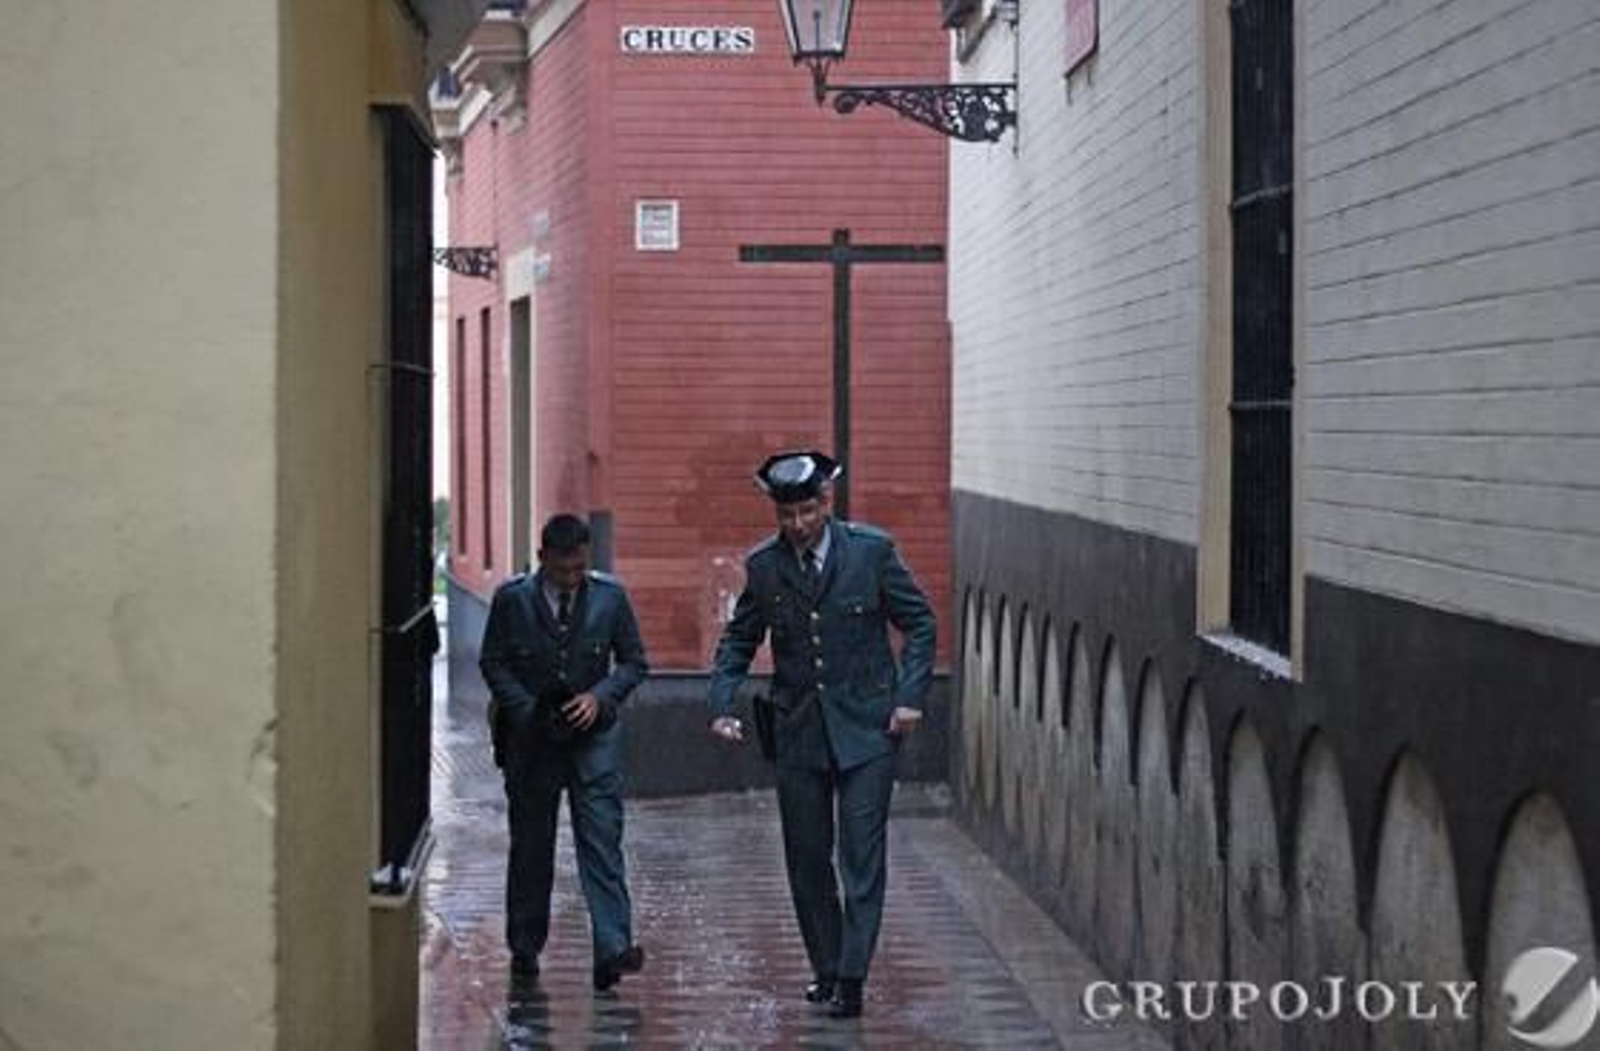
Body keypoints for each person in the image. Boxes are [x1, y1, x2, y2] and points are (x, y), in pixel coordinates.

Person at [706, 450, 936, 1018]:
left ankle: (853, 977)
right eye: (787, 516)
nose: (799, 526)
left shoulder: (872, 552)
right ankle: (827, 968)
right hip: (799, 734)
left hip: (868, 731)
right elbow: (739, 639)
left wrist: (909, 699)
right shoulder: (763, 566)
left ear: (825, 505)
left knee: (861, 856)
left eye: (807, 512)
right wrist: (721, 700)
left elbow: (920, 622)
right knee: (807, 859)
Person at [480, 513, 649, 991]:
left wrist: (600, 697)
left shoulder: (610, 598)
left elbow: (635, 662)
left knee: (602, 842)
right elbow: (493, 661)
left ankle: (613, 949)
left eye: (578, 569)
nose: (571, 579)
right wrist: (526, 709)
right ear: (542, 560)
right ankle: (525, 946)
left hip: (593, 739)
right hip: (532, 742)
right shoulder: (512, 600)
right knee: (532, 848)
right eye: (561, 571)